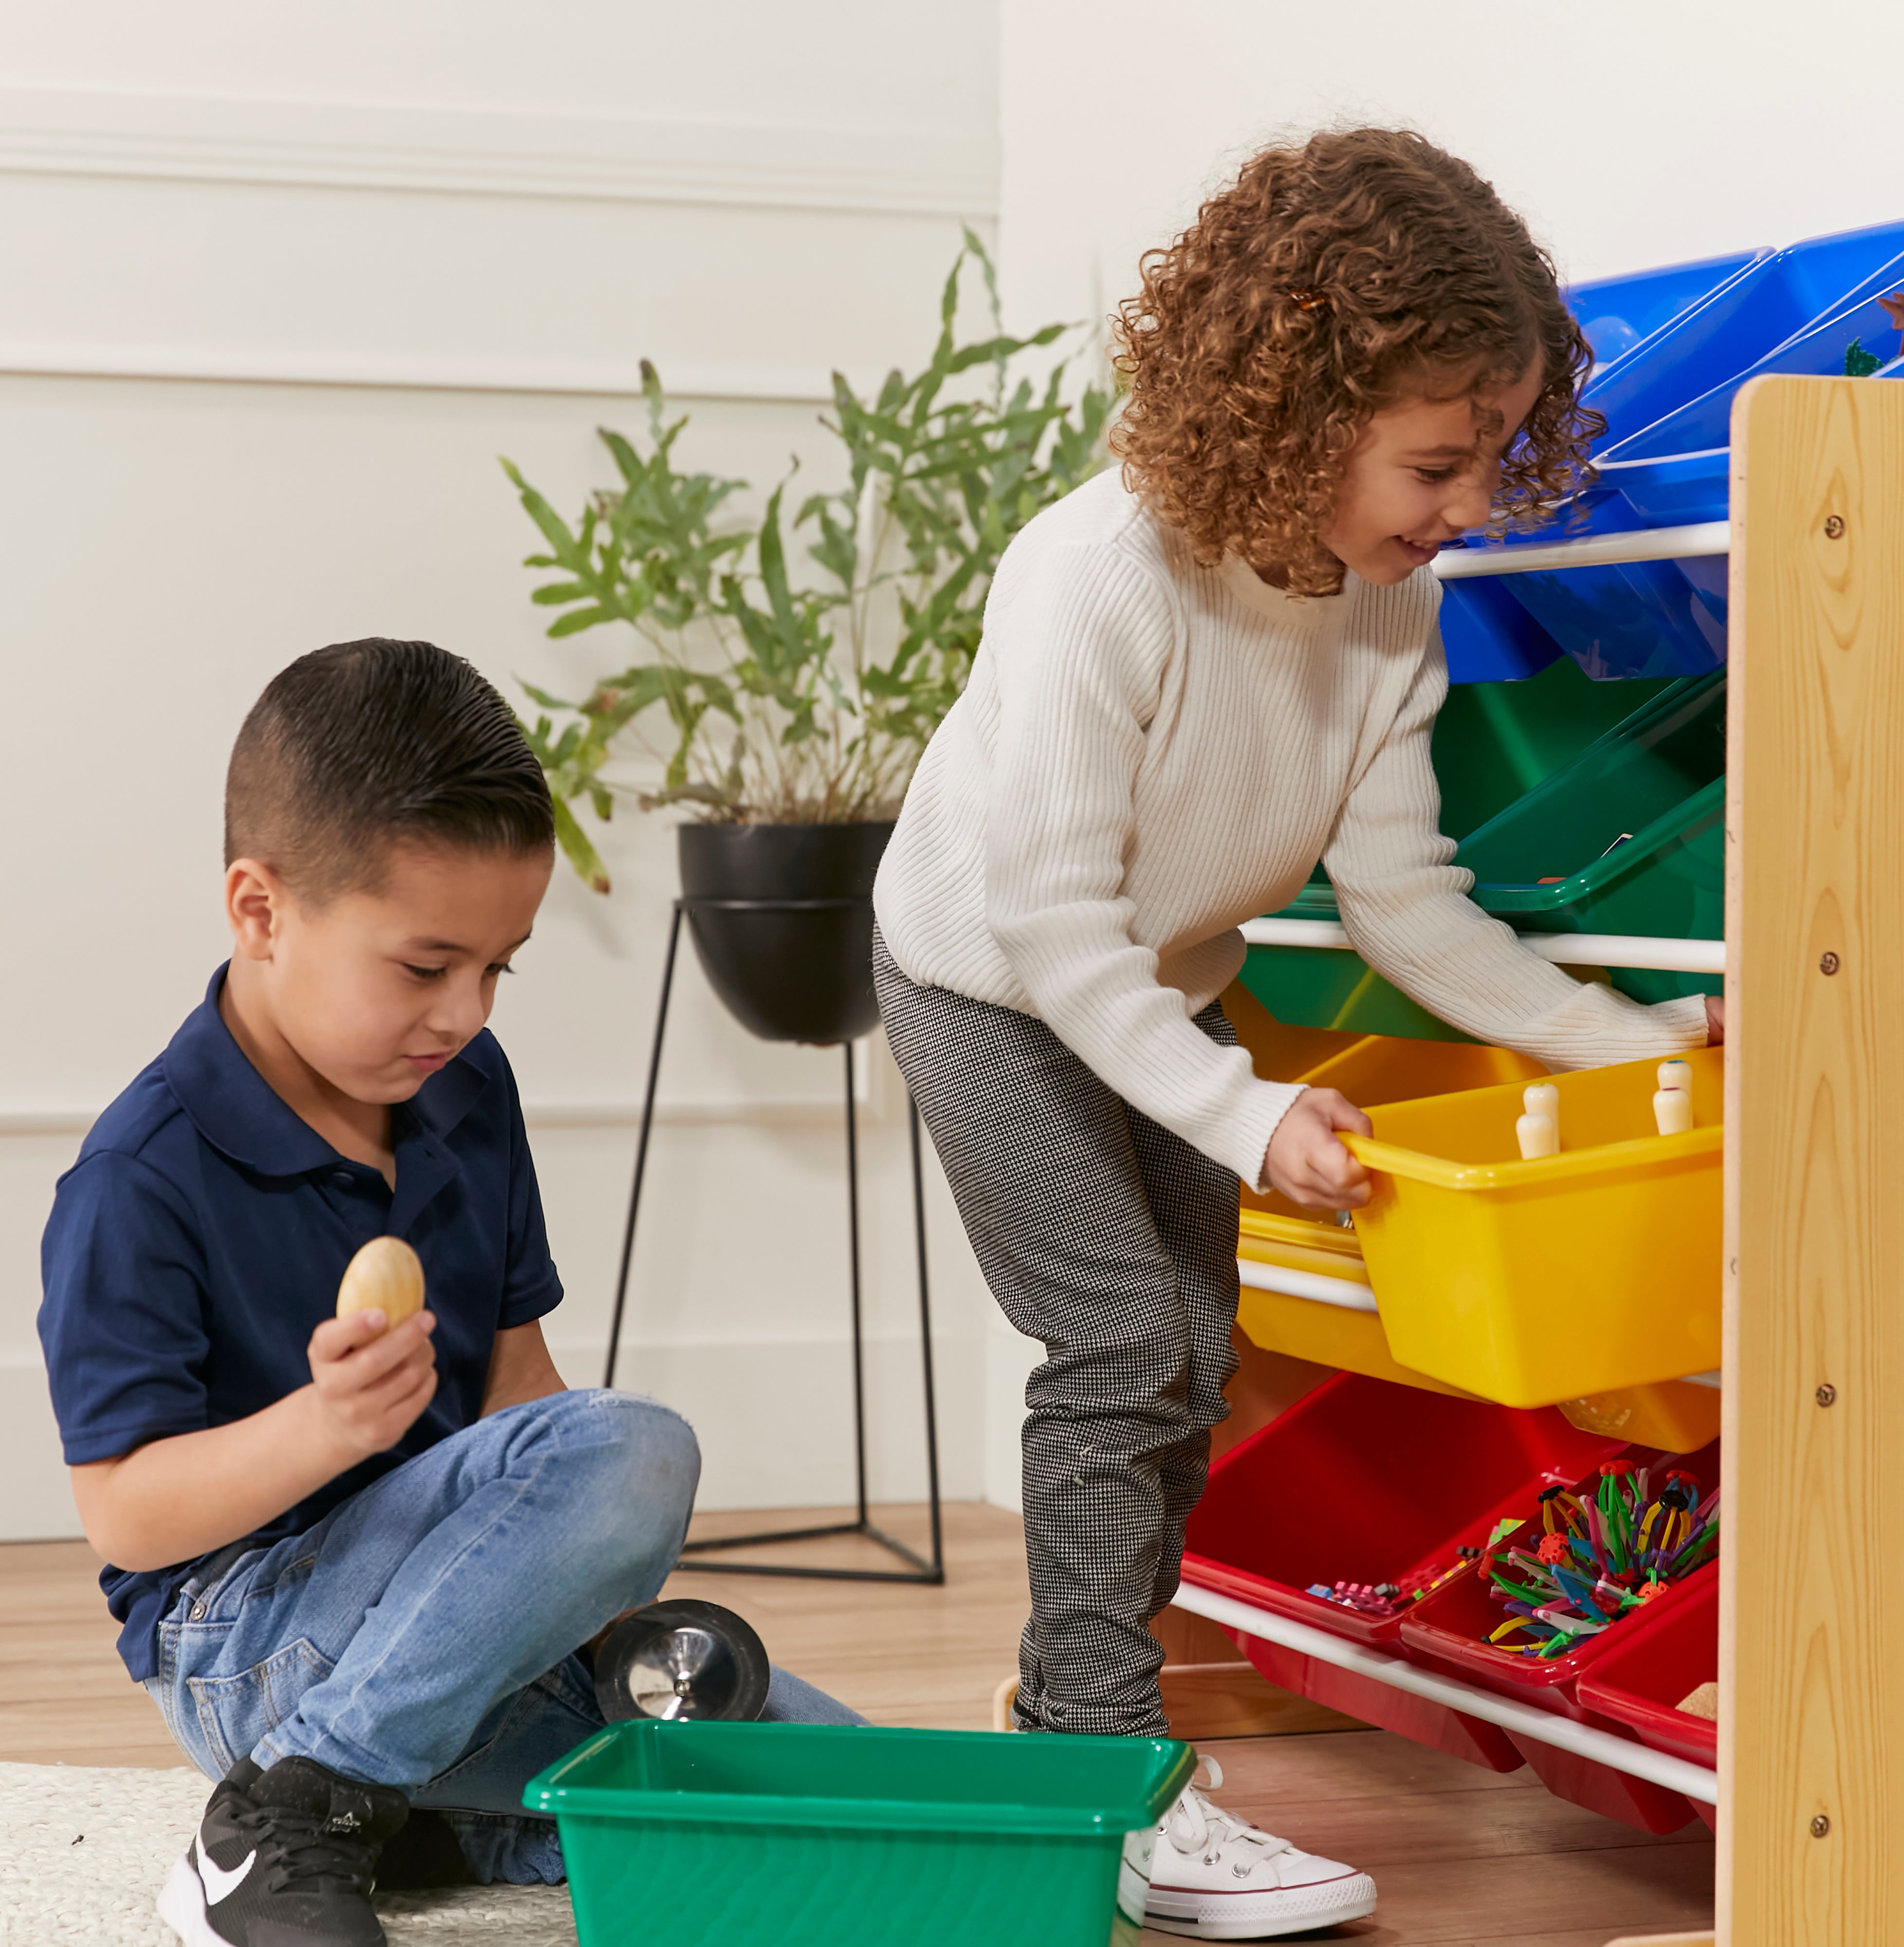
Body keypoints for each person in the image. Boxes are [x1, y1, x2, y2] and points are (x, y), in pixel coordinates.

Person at [873, 129, 1726, 1940]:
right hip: (986, 980)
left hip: (1152, 993)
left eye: (1493, 456)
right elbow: (1046, 924)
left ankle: (1079, 1737)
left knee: (1193, 1340)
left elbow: (1409, 909)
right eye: (1435, 461)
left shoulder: (1393, 610)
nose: (1470, 503)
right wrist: (1245, 1115)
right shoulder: (1098, 580)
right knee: (1120, 1342)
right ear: (1291, 412)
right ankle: (1096, 1773)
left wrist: (1635, 1043)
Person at [38, 639, 862, 1947]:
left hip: (454, 1623)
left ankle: (406, 1809)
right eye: (426, 969)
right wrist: (328, 1430)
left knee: (839, 1786)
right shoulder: (140, 1178)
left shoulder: (464, 1094)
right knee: (642, 1442)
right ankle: (285, 1818)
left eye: (500, 969)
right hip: (245, 1645)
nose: (467, 1013)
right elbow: (128, 1521)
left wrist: (596, 1619)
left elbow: (518, 1396)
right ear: (261, 912)